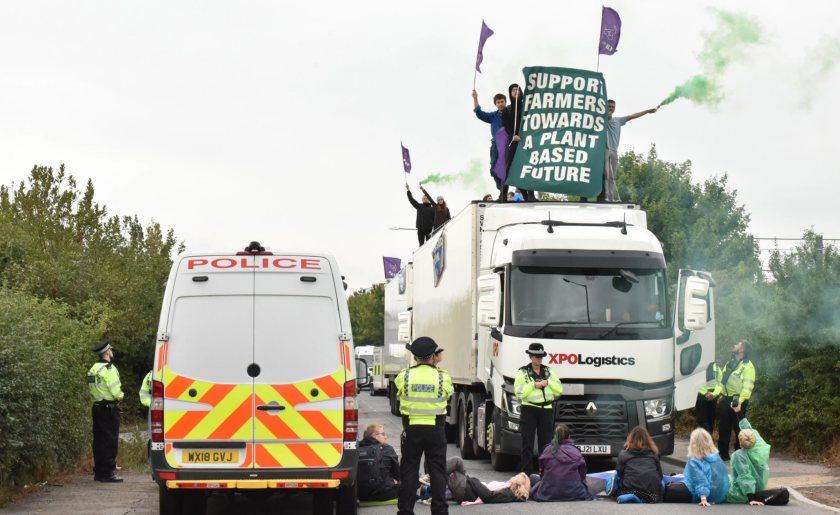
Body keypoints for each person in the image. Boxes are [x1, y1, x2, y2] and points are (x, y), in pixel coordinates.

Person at [395, 337, 454, 515]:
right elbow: (448, 396)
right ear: (432, 356)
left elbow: (399, 394)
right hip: (435, 429)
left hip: (412, 429)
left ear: (414, 356)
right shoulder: (443, 377)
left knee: (409, 471)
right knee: (437, 471)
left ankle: (405, 511)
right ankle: (440, 510)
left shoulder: (403, 376)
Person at [514, 343, 563, 475]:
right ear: (530, 357)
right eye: (536, 356)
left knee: (546, 444)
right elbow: (519, 392)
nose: (539, 359)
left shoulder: (548, 371)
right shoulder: (523, 372)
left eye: (541, 357)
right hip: (529, 409)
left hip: (546, 410)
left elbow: (559, 389)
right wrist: (533, 385)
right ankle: (527, 474)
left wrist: (548, 382)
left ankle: (545, 472)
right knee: (527, 443)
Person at [598, 100, 657, 202]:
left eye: (613, 107)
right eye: (609, 106)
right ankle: (604, 196)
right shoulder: (601, 120)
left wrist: (647, 111)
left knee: (612, 176)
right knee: (605, 174)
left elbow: (632, 116)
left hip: (614, 151)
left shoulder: (618, 120)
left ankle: (610, 198)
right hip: (604, 151)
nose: (611, 108)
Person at [87, 338, 124, 483]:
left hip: (97, 408)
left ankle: (100, 471)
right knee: (110, 441)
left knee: (99, 441)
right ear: (107, 352)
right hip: (109, 410)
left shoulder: (93, 369)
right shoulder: (109, 369)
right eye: (111, 350)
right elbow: (116, 393)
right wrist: (121, 396)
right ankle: (108, 473)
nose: (112, 352)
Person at [712, 340, 756, 460]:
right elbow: (723, 381)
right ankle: (723, 454)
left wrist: (739, 402)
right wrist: (718, 394)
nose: (735, 345)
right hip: (726, 397)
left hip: (738, 398)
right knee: (723, 426)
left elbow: (747, 388)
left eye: (738, 344)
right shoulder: (730, 362)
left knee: (739, 427)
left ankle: (740, 453)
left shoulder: (748, 366)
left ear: (743, 349)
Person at [529, 424, 593, 501]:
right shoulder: (575, 451)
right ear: (569, 436)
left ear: (555, 436)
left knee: (532, 477)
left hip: (549, 492)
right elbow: (582, 474)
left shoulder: (547, 450)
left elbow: (542, 473)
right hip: (574, 492)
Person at [501, 83, 535, 202]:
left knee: (527, 167)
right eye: (513, 90)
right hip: (514, 142)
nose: (516, 91)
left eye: (518, 89)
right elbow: (506, 127)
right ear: (510, 93)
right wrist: (512, 136)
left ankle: (530, 195)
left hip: (526, 142)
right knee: (508, 167)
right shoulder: (507, 109)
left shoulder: (527, 107)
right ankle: (503, 195)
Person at [445, 456, 530, 504]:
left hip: (466, 491)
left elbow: (488, 496)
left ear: (516, 482)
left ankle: (434, 473)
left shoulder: (508, 494)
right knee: (455, 466)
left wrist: (473, 481)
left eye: (516, 476)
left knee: (457, 462)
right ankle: (437, 485)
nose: (514, 476)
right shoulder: (507, 488)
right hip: (467, 490)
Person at [615, 426, 664, 503]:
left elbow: (619, 474)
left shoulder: (623, 454)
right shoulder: (654, 454)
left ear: (630, 439)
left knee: (614, 480)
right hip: (652, 494)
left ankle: (635, 497)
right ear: (648, 440)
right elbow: (660, 476)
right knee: (662, 484)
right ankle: (642, 499)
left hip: (629, 490)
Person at [684, 428, 730, 506]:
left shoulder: (694, 460)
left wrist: (703, 498)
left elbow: (699, 478)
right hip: (719, 493)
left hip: (703, 495)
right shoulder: (715, 456)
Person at [472, 89, 507, 192]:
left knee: (506, 169)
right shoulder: (493, 116)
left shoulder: (511, 113)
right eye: (498, 102)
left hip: (507, 145)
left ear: (505, 102)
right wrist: (475, 98)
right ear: (496, 104)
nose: (500, 104)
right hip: (496, 146)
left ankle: (508, 190)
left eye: (502, 101)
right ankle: (501, 189)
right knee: (494, 170)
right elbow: (479, 113)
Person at [358, 423, 400, 502]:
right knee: (411, 477)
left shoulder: (356, 449)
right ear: (375, 435)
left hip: (361, 495)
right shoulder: (387, 448)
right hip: (386, 494)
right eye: (383, 434)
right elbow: (398, 474)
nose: (386, 437)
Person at [695, 362, 722, 435]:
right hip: (711, 396)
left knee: (704, 421)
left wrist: (709, 394)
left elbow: (695, 382)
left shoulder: (699, 366)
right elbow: (720, 384)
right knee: (710, 421)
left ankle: (706, 442)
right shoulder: (717, 367)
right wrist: (714, 394)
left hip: (704, 395)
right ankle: (708, 441)